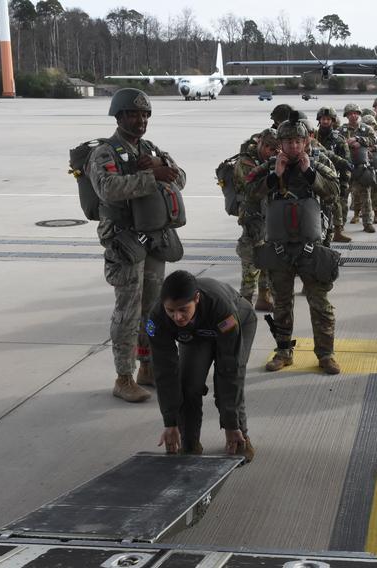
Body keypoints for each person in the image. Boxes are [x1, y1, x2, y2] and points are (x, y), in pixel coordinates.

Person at [88, 88, 186, 402]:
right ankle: (123, 376)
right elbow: (107, 188)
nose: (141, 120)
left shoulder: (150, 148)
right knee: (127, 312)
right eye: (134, 114)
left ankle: (147, 366)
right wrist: (151, 176)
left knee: (153, 309)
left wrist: (159, 164)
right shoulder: (105, 153)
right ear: (119, 117)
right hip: (124, 241)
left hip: (153, 238)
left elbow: (179, 178)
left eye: (145, 115)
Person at [247, 111, 342, 374]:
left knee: (320, 304)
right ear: (281, 144)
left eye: (298, 141)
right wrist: (274, 176)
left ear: (306, 142)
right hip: (279, 248)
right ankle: (283, 351)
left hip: (311, 248)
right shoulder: (270, 166)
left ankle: (326, 354)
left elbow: (334, 192)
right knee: (281, 304)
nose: (293, 146)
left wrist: (309, 173)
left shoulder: (317, 163)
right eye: (288, 142)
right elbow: (250, 194)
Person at [148, 270, 256, 461]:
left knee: (227, 381)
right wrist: (170, 422)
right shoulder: (157, 318)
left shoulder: (222, 308)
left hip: (238, 321)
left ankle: (239, 436)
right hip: (197, 335)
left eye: (183, 309)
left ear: (196, 298)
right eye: (171, 310)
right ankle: (189, 443)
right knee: (189, 384)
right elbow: (164, 371)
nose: (177, 317)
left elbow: (231, 371)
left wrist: (231, 424)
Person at [234, 129, 280, 310]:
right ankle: (244, 300)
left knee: (267, 256)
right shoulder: (245, 161)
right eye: (268, 147)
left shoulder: (271, 160)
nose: (270, 151)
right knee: (250, 260)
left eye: (274, 148)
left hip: (268, 214)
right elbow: (251, 189)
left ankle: (263, 296)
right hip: (252, 217)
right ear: (260, 143)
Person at [340, 103, 377, 232]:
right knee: (343, 197)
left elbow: (375, 140)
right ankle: (341, 223)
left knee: (366, 195)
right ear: (346, 115)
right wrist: (346, 143)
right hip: (346, 167)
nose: (353, 115)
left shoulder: (366, 129)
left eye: (355, 113)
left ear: (359, 115)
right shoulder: (341, 130)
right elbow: (336, 143)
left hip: (362, 167)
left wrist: (359, 140)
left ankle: (368, 223)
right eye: (350, 113)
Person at [315, 107, 353, 243]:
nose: (325, 121)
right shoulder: (313, 136)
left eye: (328, 119)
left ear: (332, 121)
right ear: (319, 120)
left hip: (332, 178)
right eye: (323, 119)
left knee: (336, 206)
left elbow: (345, 163)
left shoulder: (339, 140)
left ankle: (337, 231)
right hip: (316, 176)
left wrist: (344, 183)